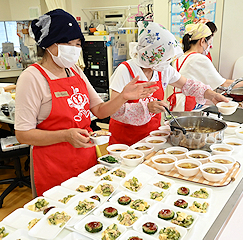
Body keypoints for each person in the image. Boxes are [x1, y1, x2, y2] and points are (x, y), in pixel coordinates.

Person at [14, 9, 157, 196]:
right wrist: (65, 135)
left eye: (78, 44)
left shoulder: (74, 71)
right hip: (54, 164)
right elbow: (23, 134)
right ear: (50, 44)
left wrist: (123, 96)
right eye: (69, 44)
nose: (75, 50)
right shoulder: (31, 77)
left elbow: (100, 110)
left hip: (85, 157)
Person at [108, 21, 229, 146]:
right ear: (151, 54)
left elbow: (188, 85)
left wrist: (211, 95)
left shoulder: (162, 69)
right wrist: (147, 107)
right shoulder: (125, 70)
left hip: (152, 137)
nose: (168, 62)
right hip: (124, 141)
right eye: (165, 57)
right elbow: (114, 110)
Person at [169, 23, 243, 111]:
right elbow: (223, 83)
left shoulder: (180, 57)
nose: (208, 48)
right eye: (208, 44)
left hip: (177, 103)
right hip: (188, 104)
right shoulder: (199, 58)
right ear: (202, 41)